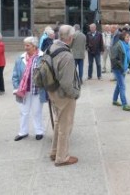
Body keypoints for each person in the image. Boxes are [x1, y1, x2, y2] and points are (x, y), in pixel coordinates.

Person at [48, 25, 81, 166]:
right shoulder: (67, 55)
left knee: (58, 122)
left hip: (52, 90)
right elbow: (67, 83)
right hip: (63, 95)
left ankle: (55, 151)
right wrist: (75, 94)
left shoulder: (53, 47)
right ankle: (62, 157)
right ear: (71, 37)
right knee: (65, 125)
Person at [12, 37, 46, 142]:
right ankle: (23, 132)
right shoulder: (20, 58)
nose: (25, 47)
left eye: (28, 45)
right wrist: (16, 87)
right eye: (25, 45)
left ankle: (39, 131)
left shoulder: (42, 57)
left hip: (37, 89)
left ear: (34, 46)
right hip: (23, 90)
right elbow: (15, 75)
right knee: (23, 112)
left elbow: (47, 73)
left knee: (37, 111)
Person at [110, 31, 130, 111]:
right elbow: (114, 58)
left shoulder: (125, 45)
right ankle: (125, 104)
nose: (129, 38)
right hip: (118, 69)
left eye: (129, 37)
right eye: (127, 37)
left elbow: (126, 57)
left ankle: (114, 100)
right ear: (123, 37)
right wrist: (121, 67)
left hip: (123, 68)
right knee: (122, 86)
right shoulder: (118, 45)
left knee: (119, 85)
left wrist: (127, 65)